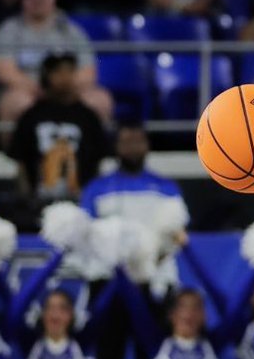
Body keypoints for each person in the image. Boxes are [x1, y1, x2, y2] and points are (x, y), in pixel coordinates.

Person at [80, 121, 189, 298]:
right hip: (109, 278)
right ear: (116, 146)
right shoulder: (96, 188)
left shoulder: (166, 187)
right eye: (127, 142)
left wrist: (150, 261)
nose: (133, 147)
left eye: (138, 141)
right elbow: (87, 233)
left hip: (156, 275)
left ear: (147, 145)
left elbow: (177, 233)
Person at [0, 0, 113, 123]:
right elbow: (4, 71)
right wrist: (38, 90)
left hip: (67, 90)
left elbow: (88, 72)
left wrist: (63, 89)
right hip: (27, 91)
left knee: (100, 100)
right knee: (16, 102)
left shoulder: (71, 30)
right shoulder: (9, 29)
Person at [7, 53, 110, 204]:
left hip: (80, 202)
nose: (64, 77)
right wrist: (26, 200)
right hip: (39, 201)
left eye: (69, 71)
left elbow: (98, 163)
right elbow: (21, 163)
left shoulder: (88, 117)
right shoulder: (31, 116)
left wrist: (91, 199)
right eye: (58, 71)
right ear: (47, 76)